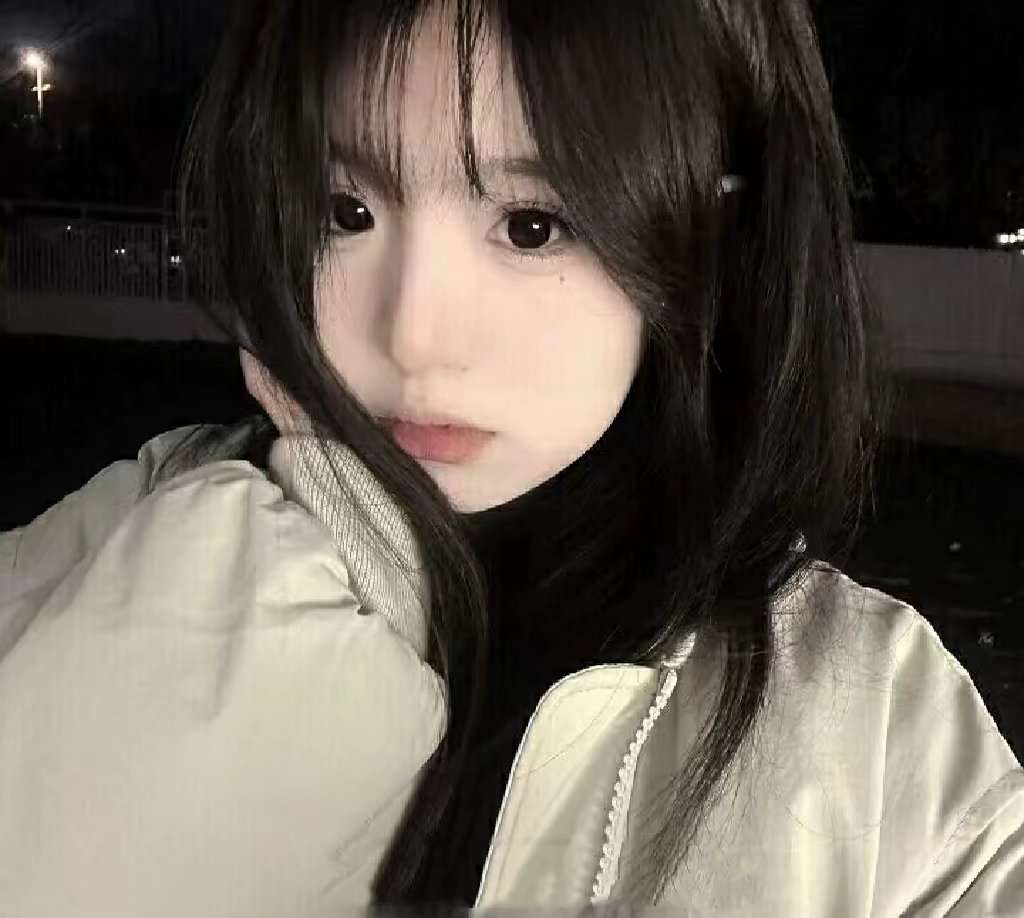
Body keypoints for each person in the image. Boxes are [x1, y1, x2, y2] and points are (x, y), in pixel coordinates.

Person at [1, 1, 1021, 915]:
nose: (413, 338)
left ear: (707, 237)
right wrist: (281, 564)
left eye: (532, 227)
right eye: (346, 211)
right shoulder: (120, 544)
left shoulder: (881, 733)